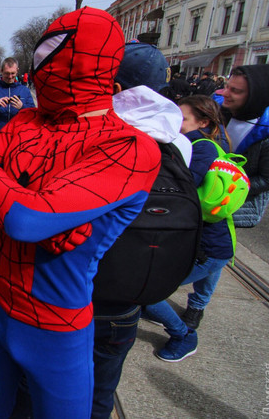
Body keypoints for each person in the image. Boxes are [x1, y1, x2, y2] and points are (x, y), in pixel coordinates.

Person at [0, 7, 161, 418]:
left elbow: (24, 220)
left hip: (55, 324)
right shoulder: (28, 120)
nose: (42, 67)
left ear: (88, 65)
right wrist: (37, 212)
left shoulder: (130, 147)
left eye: (53, 55)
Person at [91, 41, 189, 418]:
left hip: (80, 292)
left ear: (114, 88)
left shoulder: (97, 133)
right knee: (102, 391)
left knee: (44, 386)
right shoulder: (179, 141)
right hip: (131, 294)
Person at [143, 94, 234, 363]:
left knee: (146, 290)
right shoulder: (199, 144)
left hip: (208, 246)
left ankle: (183, 335)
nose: (175, 123)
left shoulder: (200, 148)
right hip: (211, 243)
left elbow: (178, 190)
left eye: (182, 119)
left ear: (203, 122)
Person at [222, 65, 269, 228]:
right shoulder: (221, 110)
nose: (225, 93)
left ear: (255, 96)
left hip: (239, 204)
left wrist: (231, 186)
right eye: (227, 87)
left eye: (235, 91)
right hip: (211, 195)